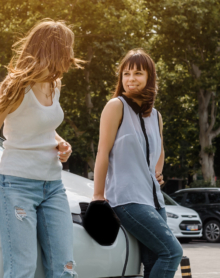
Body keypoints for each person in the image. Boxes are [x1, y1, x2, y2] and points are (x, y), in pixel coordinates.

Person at [0, 19, 82, 277]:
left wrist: (60, 142)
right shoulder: (14, 86)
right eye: (68, 48)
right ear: (54, 50)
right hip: (17, 185)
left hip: (53, 186)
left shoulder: (55, 84)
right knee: (22, 270)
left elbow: (41, 125)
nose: (71, 55)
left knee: (65, 269)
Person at [91, 49, 183, 278]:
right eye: (126, 73)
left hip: (155, 201)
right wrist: (98, 195)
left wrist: (157, 173)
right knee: (172, 253)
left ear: (150, 77)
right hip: (127, 199)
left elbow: (160, 149)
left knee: (153, 263)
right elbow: (102, 152)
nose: (131, 79)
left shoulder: (156, 115)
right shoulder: (116, 106)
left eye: (138, 73)